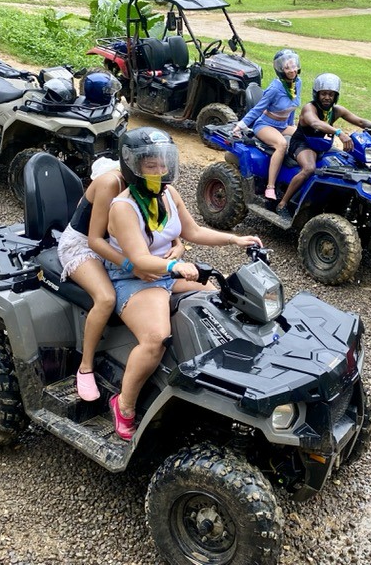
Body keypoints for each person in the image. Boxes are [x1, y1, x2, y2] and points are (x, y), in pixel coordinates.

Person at [101, 127, 262, 440]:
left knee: (220, 302)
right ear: (133, 166)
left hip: (167, 273)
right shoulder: (122, 207)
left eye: (163, 163)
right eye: (151, 165)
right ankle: (124, 404)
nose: (160, 170)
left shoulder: (168, 194)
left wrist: (235, 239)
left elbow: (193, 232)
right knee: (155, 338)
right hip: (136, 279)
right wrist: (176, 265)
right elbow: (139, 259)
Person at [56, 156, 185, 401]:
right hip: (85, 246)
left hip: (119, 244)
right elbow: (94, 240)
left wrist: (178, 246)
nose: (159, 172)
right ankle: (85, 366)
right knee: (105, 298)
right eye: (151, 166)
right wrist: (130, 267)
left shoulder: (151, 187)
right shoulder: (111, 184)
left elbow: (166, 222)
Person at [277, 73, 371, 212]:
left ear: (335, 96)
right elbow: (315, 123)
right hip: (303, 143)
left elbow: (360, 121)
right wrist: (339, 133)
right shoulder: (309, 108)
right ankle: (282, 204)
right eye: (323, 94)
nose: (327, 97)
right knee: (309, 168)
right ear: (317, 94)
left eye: (331, 94)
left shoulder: (336, 110)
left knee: (348, 162)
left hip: (322, 145)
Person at [232, 49, 301, 202]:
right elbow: (257, 109)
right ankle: (270, 187)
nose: (292, 70)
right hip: (265, 125)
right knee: (281, 144)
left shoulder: (297, 83)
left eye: (294, 66)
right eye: (287, 68)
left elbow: (292, 107)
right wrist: (241, 125)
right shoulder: (274, 88)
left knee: (304, 136)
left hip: (283, 125)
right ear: (280, 69)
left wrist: (292, 125)